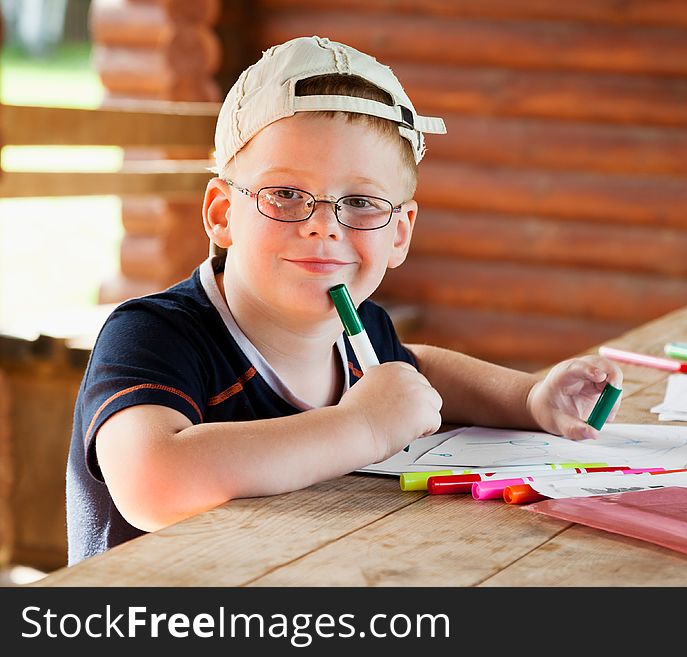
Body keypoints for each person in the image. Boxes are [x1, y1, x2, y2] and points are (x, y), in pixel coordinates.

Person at [65, 36, 623, 565]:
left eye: (359, 202)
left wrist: (527, 399)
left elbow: (415, 372)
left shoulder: (362, 334)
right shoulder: (154, 335)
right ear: (220, 213)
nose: (323, 227)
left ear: (399, 233)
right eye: (285, 195)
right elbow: (153, 483)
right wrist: (363, 429)